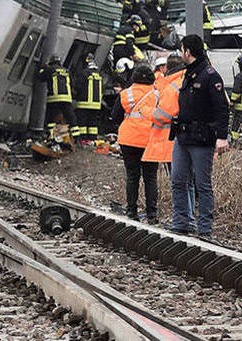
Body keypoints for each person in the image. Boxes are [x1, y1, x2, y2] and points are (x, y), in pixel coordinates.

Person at [169, 35, 229, 236]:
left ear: (188, 52)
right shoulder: (189, 73)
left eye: (182, 50)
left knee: (202, 184)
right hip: (183, 136)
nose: (180, 54)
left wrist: (222, 137)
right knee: (178, 180)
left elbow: (222, 108)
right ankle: (181, 223)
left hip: (202, 138)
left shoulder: (210, 75)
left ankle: (204, 228)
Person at [143, 55, 195, 231]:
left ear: (168, 69)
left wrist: (148, 111)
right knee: (189, 182)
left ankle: (183, 221)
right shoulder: (190, 80)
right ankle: (190, 219)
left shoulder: (171, 86)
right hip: (191, 138)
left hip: (171, 141)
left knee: (179, 182)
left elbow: (163, 116)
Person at [110, 64, 158, 222]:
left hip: (128, 140)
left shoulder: (126, 94)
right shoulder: (158, 94)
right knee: (150, 177)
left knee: (132, 176)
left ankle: (132, 212)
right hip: (150, 140)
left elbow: (115, 116)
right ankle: (152, 214)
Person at [37, 55, 80, 141]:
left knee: (51, 120)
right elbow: (72, 84)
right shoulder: (66, 70)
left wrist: (44, 67)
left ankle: (52, 137)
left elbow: (40, 77)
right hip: (66, 99)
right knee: (71, 119)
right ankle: (77, 139)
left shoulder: (49, 69)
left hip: (54, 99)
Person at [74, 53, 102, 141]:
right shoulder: (98, 73)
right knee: (93, 123)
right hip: (96, 104)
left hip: (84, 103)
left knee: (82, 122)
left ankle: (83, 139)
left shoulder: (84, 73)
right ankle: (92, 139)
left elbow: (78, 86)